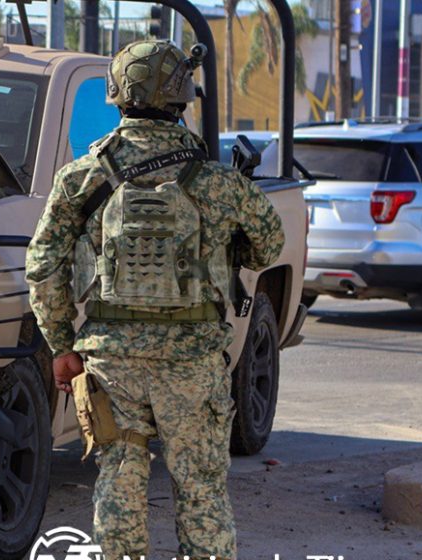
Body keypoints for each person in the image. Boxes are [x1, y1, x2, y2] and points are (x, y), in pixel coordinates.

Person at [25, 39, 284, 560]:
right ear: (181, 97)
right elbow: (269, 247)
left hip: (110, 360)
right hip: (192, 362)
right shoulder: (218, 181)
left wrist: (61, 345)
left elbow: (43, 263)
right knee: (202, 491)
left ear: (117, 93)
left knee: (118, 484)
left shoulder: (83, 176)